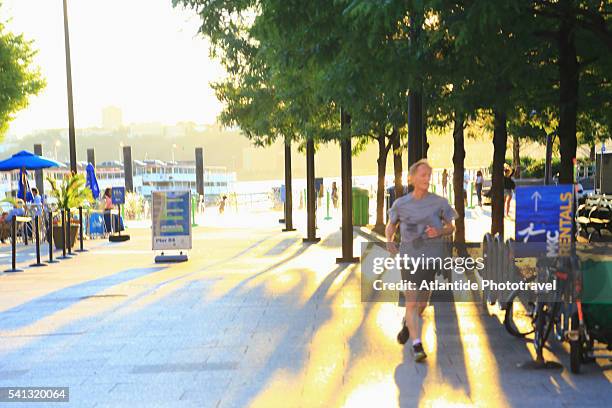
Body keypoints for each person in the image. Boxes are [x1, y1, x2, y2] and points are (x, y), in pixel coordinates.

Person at [385, 160, 457, 362]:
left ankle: (409, 325)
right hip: (409, 258)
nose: (426, 179)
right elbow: (391, 226)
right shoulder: (400, 204)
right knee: (411, 301)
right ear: (412, 178)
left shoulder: (439, 202)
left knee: (423, 302)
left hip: (431, 259)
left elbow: (452, 228)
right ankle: (417, 345)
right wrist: (389, 240)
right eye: (422, 175)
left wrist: (440, 231)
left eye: (428, 175)